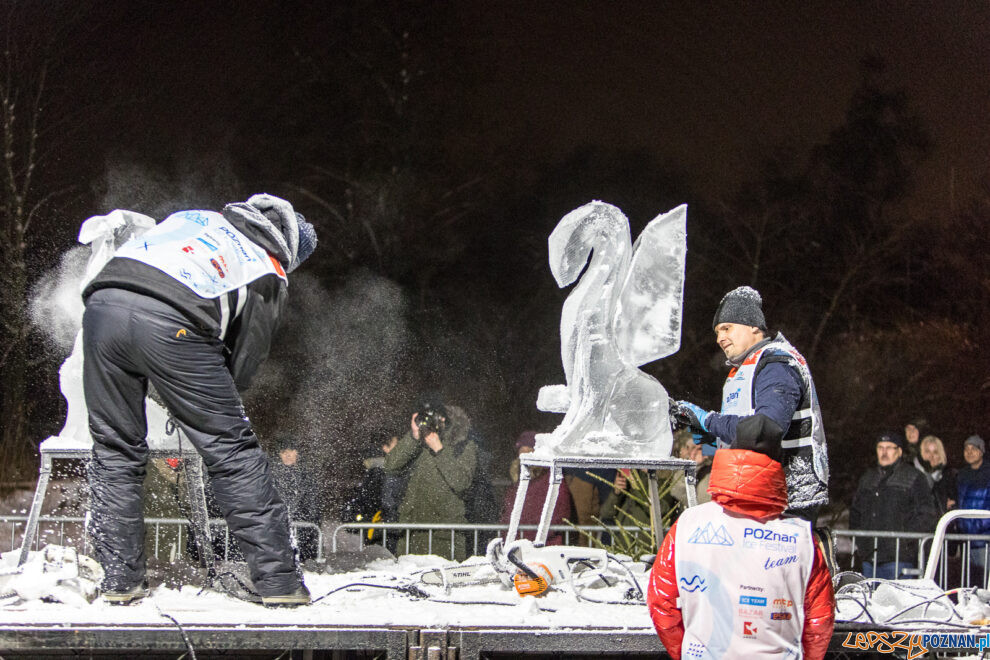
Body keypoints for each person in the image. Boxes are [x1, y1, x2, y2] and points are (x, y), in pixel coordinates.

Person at [81, 194, 316, 606]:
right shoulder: (266, 267)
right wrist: (199, 396)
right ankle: (280, 584)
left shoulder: (195, 218)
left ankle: (120, 581)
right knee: (233, 452)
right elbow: (243, 362)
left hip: (102, 306)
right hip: (173, 322)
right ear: (291, 251)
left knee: (115, 449)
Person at [647, 445, 835, 659]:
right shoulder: (800, 537)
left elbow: (661, 603)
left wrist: (683, 652)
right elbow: (819, 621)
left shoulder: (688, 523)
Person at [676, 286, 829, 525]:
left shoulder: (777, 364)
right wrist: (699, 429)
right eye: (717, 332)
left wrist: (707, 420)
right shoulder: (746, 369)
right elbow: (736, 435)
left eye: (727, 328)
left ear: (754, 326)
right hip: (755, 491)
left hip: (785, 497)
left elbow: (765, 430)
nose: (719, 338)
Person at [383, 395, 477, 560]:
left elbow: (461, 482)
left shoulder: (462, 445)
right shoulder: (415, 444)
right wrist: (413, 437)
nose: (429, 421)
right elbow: (390, 466)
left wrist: (439, 450)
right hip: (411, 534)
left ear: (443, 418)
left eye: (433, 416)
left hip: (445, 537)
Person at [848, 431, 938, 579]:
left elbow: (926, 514)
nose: (884, 452)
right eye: (880, 447)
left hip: (899, 559)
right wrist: (860, 540)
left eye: (889, 448)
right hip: (869, 558)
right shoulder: (868, 478)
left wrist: (905, 540)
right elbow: (855, 512)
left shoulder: (913, 477)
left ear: (899, 451)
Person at [500, 431, 573, 545]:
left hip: (543, 545)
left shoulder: (552, 479)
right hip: (518, 544)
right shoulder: (518, 482)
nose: (525, 458)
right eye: (521, 453)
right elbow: (507, 513)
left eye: (529, 452)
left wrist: (531, 534)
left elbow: (560, 514)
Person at [270, 436, 322, 562]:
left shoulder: (307, 475)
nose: (288, 455)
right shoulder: (271, 476)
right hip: (278, 530)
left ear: (297, 453)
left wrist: (307, 521)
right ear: (279, 455)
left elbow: (312, 504)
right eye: (284, 452)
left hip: (303, 530)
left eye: (291, 451)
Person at [956, 434, 990, 585]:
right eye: (966, 449)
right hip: (966, 540)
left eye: (974, 449)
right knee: (970, 584)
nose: (969, 452)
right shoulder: (962, 475)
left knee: (985, 583)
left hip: (984, 540)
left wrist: (977, 527)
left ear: (982, 451)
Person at [913, 434, 957, 515]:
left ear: (940, 455)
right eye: (927, 451)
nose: (931, 456)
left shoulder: (949, 477)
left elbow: (955, 502)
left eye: (935, 452)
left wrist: (952, 505)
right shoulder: (913, 475)